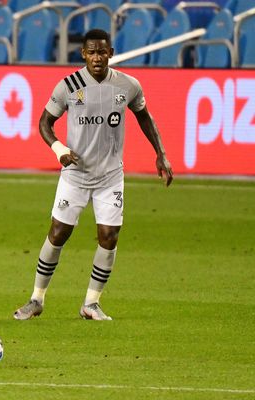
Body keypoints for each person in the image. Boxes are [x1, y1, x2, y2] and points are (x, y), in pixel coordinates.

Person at [13, 29, 173, 321]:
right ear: (83, 54)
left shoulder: (128, 85)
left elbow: (145, 117)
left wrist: (160, 153)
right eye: (92, 52)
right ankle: (36, 299)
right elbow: (44, 122)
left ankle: (91, 303)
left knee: (109, 237)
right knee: (59, 233)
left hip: (110, 177)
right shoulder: (69, 86)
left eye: (102, 52)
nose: (97, 57)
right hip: (75, 175)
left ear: (110, 53)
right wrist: (59, 148)